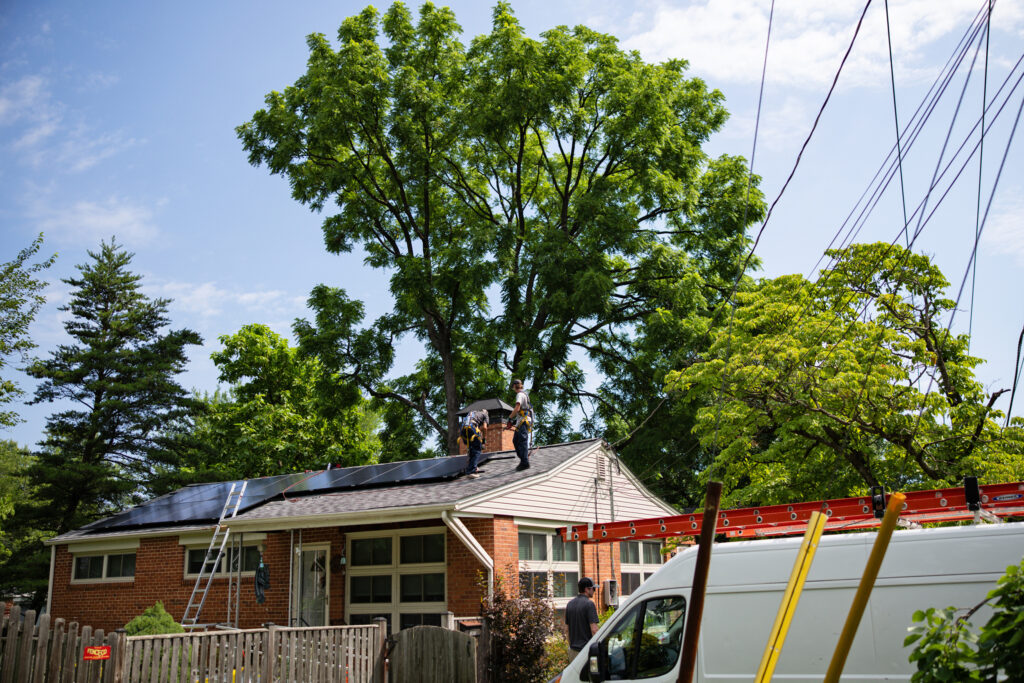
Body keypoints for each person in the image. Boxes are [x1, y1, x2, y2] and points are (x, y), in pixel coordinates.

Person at [566, 576, 599, 659]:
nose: (594, 591)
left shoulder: (570, 604)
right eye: (593, 589)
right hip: (585, 651)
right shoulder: (589, 604)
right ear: (587, 589)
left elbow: (566, 629)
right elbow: (594, 630)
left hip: (573, 651)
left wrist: (571, 646)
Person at [506, 379, 532, 471]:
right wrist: (513, 422)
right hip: (521, 421)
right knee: (516, 441)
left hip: (524, 421)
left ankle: (525, 462)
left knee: (522, 441)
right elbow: (521, 411)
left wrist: (509, 418)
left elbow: (517, 407)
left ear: (514, 386)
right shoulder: (524, 394)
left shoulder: (520, 395)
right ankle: (523, 459)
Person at [458, 409, 488, 478]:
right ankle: (472, 471)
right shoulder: (485, 415)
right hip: (471, 428)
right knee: (477, 448)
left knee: (472, 448)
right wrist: (483, 440)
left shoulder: (473, 413)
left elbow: (477, 428)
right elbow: (485, 428)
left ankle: (471, 466)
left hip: (463, 431)